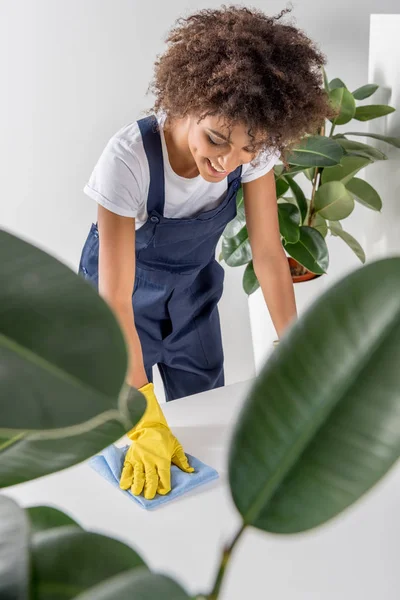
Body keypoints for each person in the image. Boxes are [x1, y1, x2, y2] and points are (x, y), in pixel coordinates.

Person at [78, 5, 333, 499]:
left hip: (193, 300)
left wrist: (297, 349)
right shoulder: (127, 162)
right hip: (120, 307)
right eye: (216, 139)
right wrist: (142, 413)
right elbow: (115, 301)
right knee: (117, 437)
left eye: (246, 149)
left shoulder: (250, 147)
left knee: (206, 421)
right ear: (184, 102)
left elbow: (267, 252)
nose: (227, 161)